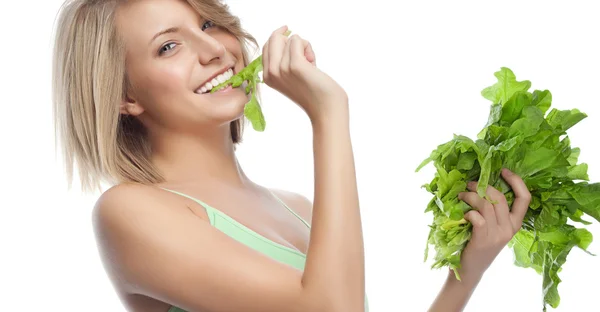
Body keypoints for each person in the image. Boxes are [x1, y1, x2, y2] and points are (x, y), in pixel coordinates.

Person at [52, 0, 531, 311]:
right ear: (124, 94)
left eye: (207, 23)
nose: (213, 50)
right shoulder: (129, 211)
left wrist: (464, 275)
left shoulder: (298, 209)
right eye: (169, 46)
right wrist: (328, 115)